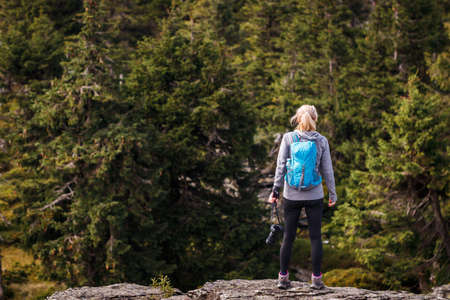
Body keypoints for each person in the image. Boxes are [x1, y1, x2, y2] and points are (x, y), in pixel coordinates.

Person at [269, 104, 337, 290]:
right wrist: (332, 193)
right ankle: (316, 280)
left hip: (291, 194)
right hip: (315, 195)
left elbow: (281, 166)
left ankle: (283, 278)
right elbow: (327, 170)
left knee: (288, 237)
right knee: (315, 237)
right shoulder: (321, 140)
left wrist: (275, 190)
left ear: (298, 119)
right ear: (315, 119)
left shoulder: (289, 138)